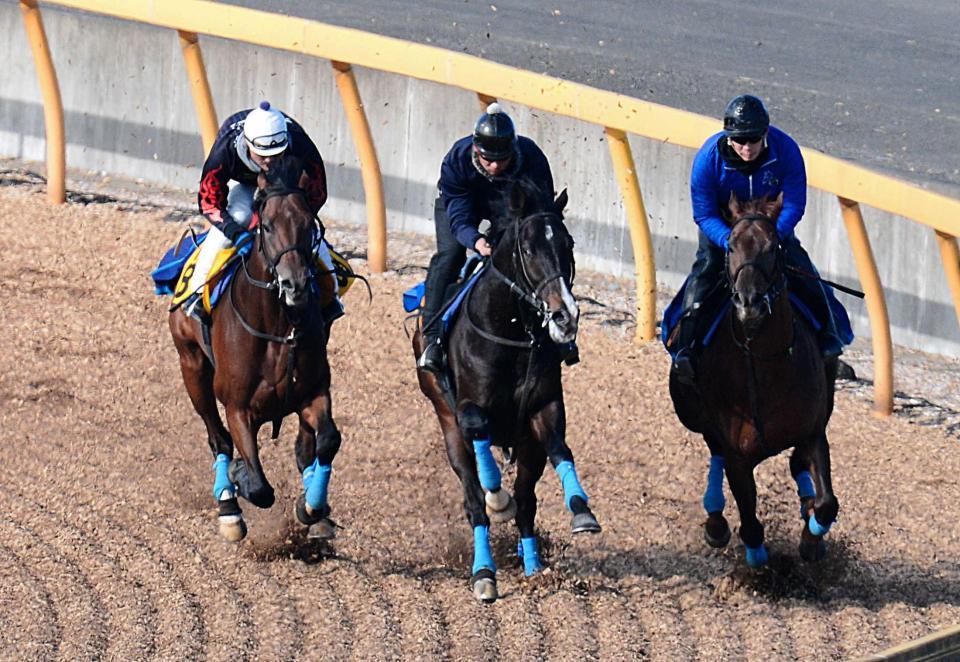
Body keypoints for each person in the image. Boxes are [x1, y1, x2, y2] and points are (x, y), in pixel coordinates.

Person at [670, 93, 845, 385]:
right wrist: (731, 241)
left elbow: (794, 204)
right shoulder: (707, 160)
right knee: (704, 271)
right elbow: (703, 213)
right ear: (728, 137)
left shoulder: (786, 150)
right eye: (740, 140)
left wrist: (773, 236)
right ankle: (685, 348)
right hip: (725, 233)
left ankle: (829, 336)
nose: (747, 147)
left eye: (753, 139)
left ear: (765, 134)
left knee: (805, 271)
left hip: (771, 231)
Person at [417, 102, 570, 372]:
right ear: (476, 150)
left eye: (503, 159)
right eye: (489, 160)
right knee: (450, 254)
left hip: (510, 206)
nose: (496, 166)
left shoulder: (532, 158)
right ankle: (432, 338)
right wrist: (476, 241)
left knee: (545, 256)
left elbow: (539, 211)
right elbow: (459, 216)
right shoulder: (457, 159)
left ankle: (560, 327)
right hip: (463, 205)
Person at [185, 100, 342, 322]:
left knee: (309, 232)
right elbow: (209, 202)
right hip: (244, 187)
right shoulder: (225, 150)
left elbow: (318, 193)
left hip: (287, 188)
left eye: (276, 154)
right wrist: (236, 233)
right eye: (261, 155)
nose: (268, 161)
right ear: (247, 145)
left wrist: (295, 220)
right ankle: (197, 292)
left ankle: (331, 294)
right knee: (237, 218)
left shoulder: (301, 146)